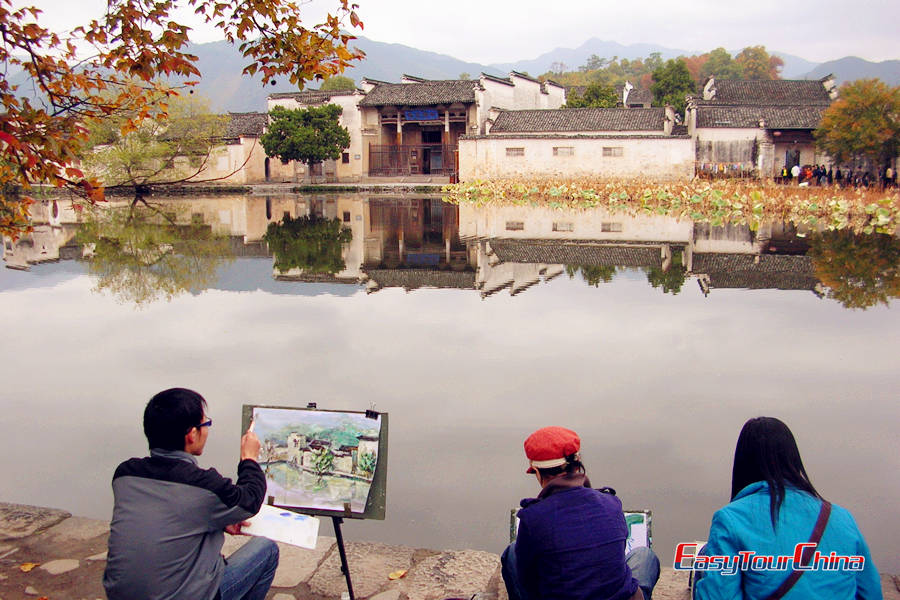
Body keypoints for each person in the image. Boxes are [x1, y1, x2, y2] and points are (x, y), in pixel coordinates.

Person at [103, 388, 278, 600]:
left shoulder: (125, 475)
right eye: (205, 425)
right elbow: (249, 500)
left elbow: (165, 513)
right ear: (192, 434)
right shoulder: (205, 486)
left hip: (120, 596)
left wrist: (219, 521)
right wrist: (249, 459)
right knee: (267, 550)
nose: (207, 430)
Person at [693, 417, 881, 600]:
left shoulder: (730, 519)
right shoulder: (840, 517)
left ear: (743, 462)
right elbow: (871, 592)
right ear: (794, 459)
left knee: (705, 557)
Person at [501, 426, 660, 600]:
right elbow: (616, 560)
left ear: (537, 472)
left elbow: (528, 583)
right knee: (644, 555)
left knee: (513, 553)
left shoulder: (532, 518)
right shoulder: (611, 502)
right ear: (577, 465)